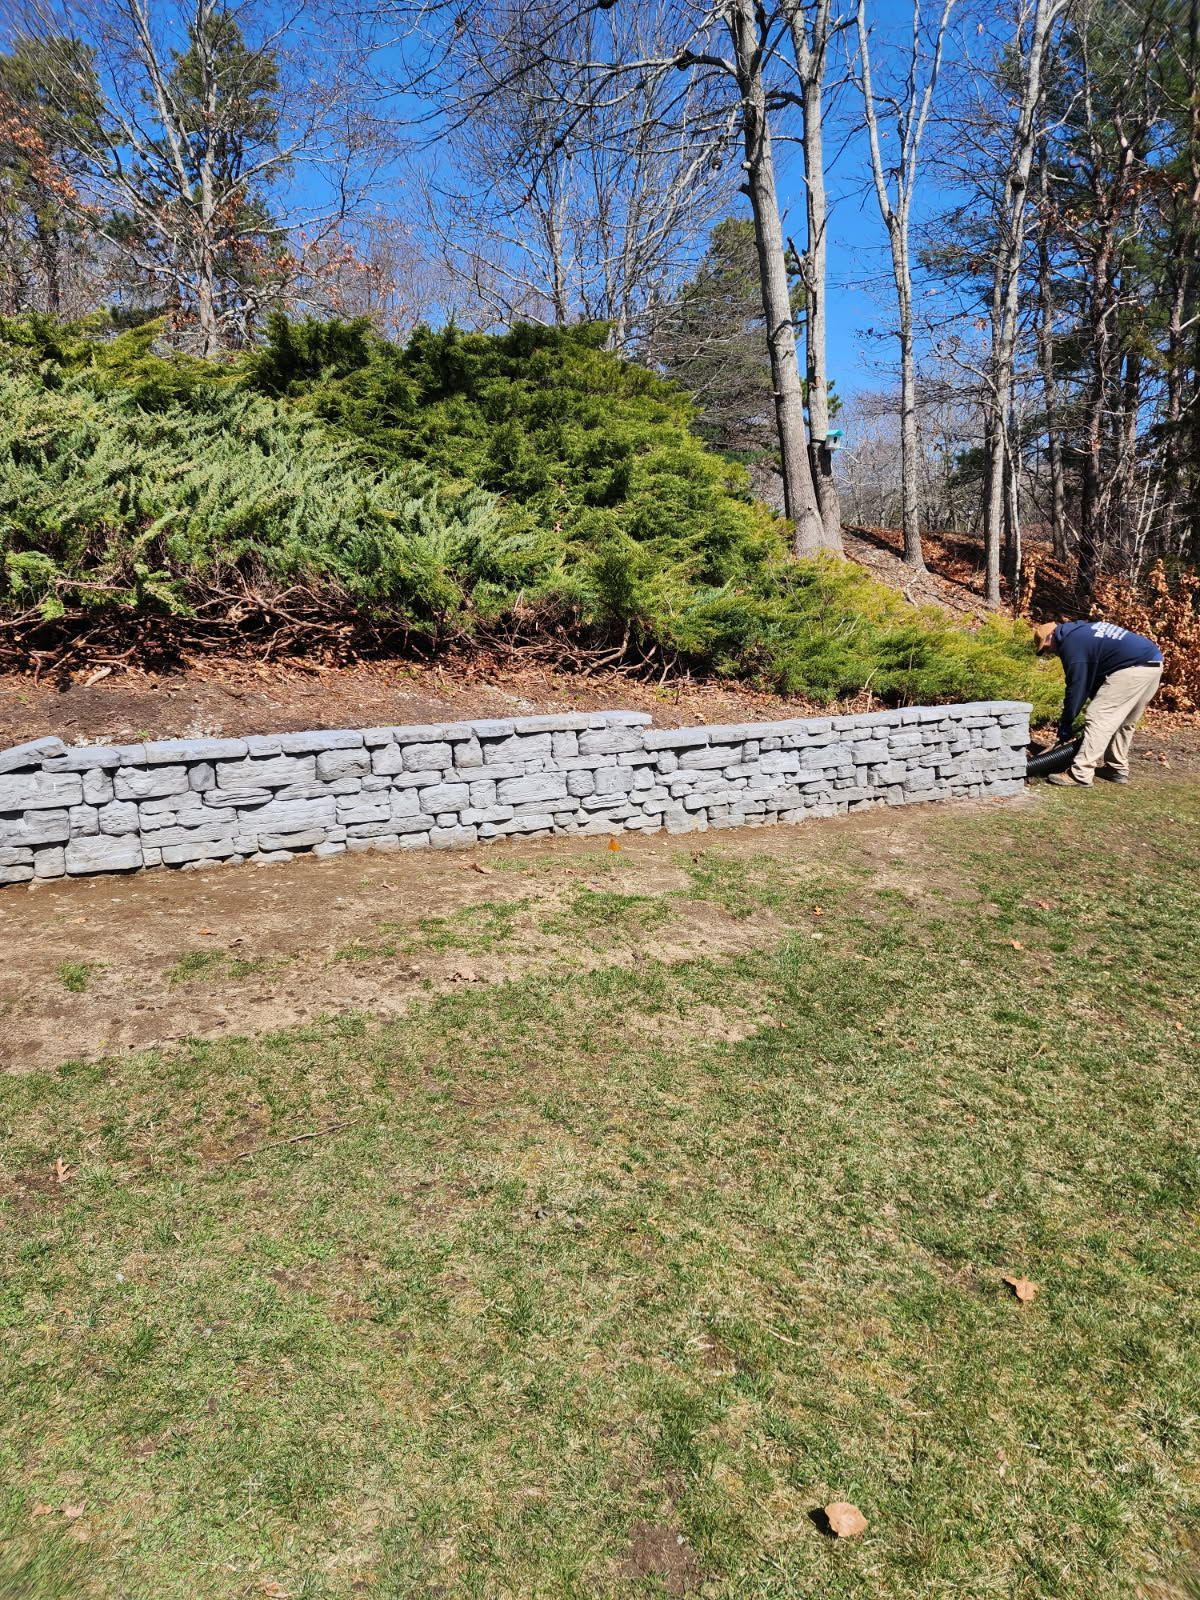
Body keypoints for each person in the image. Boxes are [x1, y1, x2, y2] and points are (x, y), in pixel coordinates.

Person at [1032, 618, 1163, 787]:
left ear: (1051, 637)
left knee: (1098, 718)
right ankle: (1116, 769)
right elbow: (1094, 680)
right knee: (1124, 721)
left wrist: (1066, 722)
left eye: (1046, 648)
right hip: (1152, 663)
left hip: (1132, 668)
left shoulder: (1071, 644)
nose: (1050, 653)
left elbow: (1076, 687)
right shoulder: (1084, 631)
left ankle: (1080, 773)